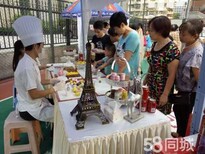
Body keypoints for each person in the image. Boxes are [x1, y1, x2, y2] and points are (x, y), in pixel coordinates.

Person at [12, 16, 65, 122]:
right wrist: (53, 89)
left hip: (35, 103)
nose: (42, 48)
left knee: (60, 103)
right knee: (64, 114)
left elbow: (36, 82)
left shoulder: (29, 60)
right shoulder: (27, 66)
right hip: (29, 109)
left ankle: (53, 131)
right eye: (42, 45)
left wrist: (52, 81)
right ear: (36, 46)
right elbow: (33, 94)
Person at [172, 19, 204, 137]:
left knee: (184, 114)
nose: (180, 36)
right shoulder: (188, 46)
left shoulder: (197, 52)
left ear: (195, 35)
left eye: (184, 34)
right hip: (183, 89)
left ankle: (183, 137)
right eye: (180, 33)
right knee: (178, 110)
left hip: (190, 92)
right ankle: (180, 132)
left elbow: (198, 77)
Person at [146, 16, 180, 114]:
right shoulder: (155, 44)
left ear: (160, 31)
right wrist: (145, 81)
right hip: (151, 86)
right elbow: (151, 66)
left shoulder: (172, 49)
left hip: (162, 89)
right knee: (149, 112)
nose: (148, 33)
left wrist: (165, 94)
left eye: (151, 30)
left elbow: (171, 75)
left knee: (158, 115)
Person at [109, 12, 140, 79]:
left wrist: (115, 77)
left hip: (126, 75)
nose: (115, 31)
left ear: (122, 25)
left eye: (116, 29)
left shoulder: (133, 36)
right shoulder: (121, 37)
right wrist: (113, 71)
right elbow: (116, 54)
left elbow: (125, 61)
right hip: (119, 73)